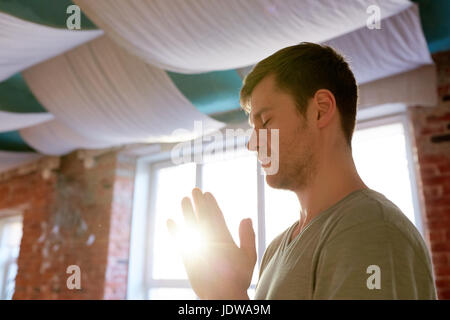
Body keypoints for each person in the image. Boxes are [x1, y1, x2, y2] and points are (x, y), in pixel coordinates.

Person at [167, 42, 437, 300]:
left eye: (265, 121)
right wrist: (227, 295)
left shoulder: (371, 229)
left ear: (320, 110)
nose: (252, 143)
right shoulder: (275, 250)